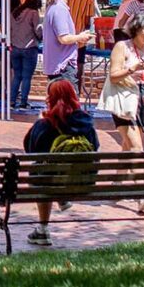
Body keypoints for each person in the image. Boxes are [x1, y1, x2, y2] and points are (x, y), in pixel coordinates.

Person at [100, 13, 144, 213]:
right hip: (124, 101)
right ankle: (142, 193)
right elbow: (113, 76)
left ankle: (116, 186)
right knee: (136, 146)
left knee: (128, 147)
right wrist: (131, 69)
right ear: (137, 29)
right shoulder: (123, 47)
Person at [23, 79, 100, 247]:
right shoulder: (87, 123)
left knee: (41, 173)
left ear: (50, 98)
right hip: (83, 181)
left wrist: (39, 123)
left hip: (49, 183)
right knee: (48, 173)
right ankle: (61, 198)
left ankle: (43, 230)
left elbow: (30, 151)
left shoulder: (45, 124)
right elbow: (96, 148)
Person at [42, 0, 94, 87]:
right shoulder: (59, 8)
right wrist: (80, 37)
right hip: (62, 66)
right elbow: (63, 38)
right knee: (68, 102)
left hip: (58, 64)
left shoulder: (53, 7)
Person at [10, 0, 43, 110]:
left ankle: (12, 101)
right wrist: (42, 36)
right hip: (29, 48)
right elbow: (38, 31)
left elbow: (9, 29)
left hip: (14, 48)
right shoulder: (33, 13)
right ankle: (23, 102)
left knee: (17, 76)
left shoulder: (15, 12)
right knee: (26, 77)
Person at [70, 0, 98, 88]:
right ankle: (76, 95)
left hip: (64, 37)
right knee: (79, 67)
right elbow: (87, 21)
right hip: (80, 40)